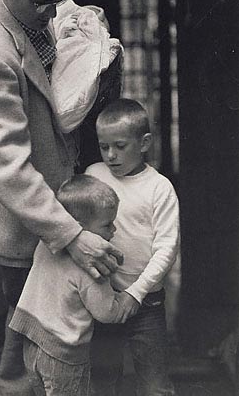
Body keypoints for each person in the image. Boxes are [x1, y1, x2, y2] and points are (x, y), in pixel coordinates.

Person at [0, 0, 123, 396]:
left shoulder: (29, 9)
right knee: (26, 343)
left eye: (58, 2)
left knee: (53, 338)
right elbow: (6, 164)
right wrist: (71, 235)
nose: (51, 14)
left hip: (57, 206)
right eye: (43, 5)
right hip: (28, 223)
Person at [86, 98, 180, 396]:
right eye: (104, 147)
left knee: (155, 386)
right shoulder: (94, 175)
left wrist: (135, 294)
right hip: (101, 298)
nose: (111, 155)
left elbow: (167, 249)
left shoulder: (159, 188)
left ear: (144, 143)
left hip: (146, 304)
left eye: (120, 146)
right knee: (102, 382)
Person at [10, 174, 131, 396]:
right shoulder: (93, 265)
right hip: (63, 354)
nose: (113, 230)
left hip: (31, 344)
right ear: (78, 226)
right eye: (107, 225)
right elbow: (107, 313)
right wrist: (129, 298)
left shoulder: (47, 242)